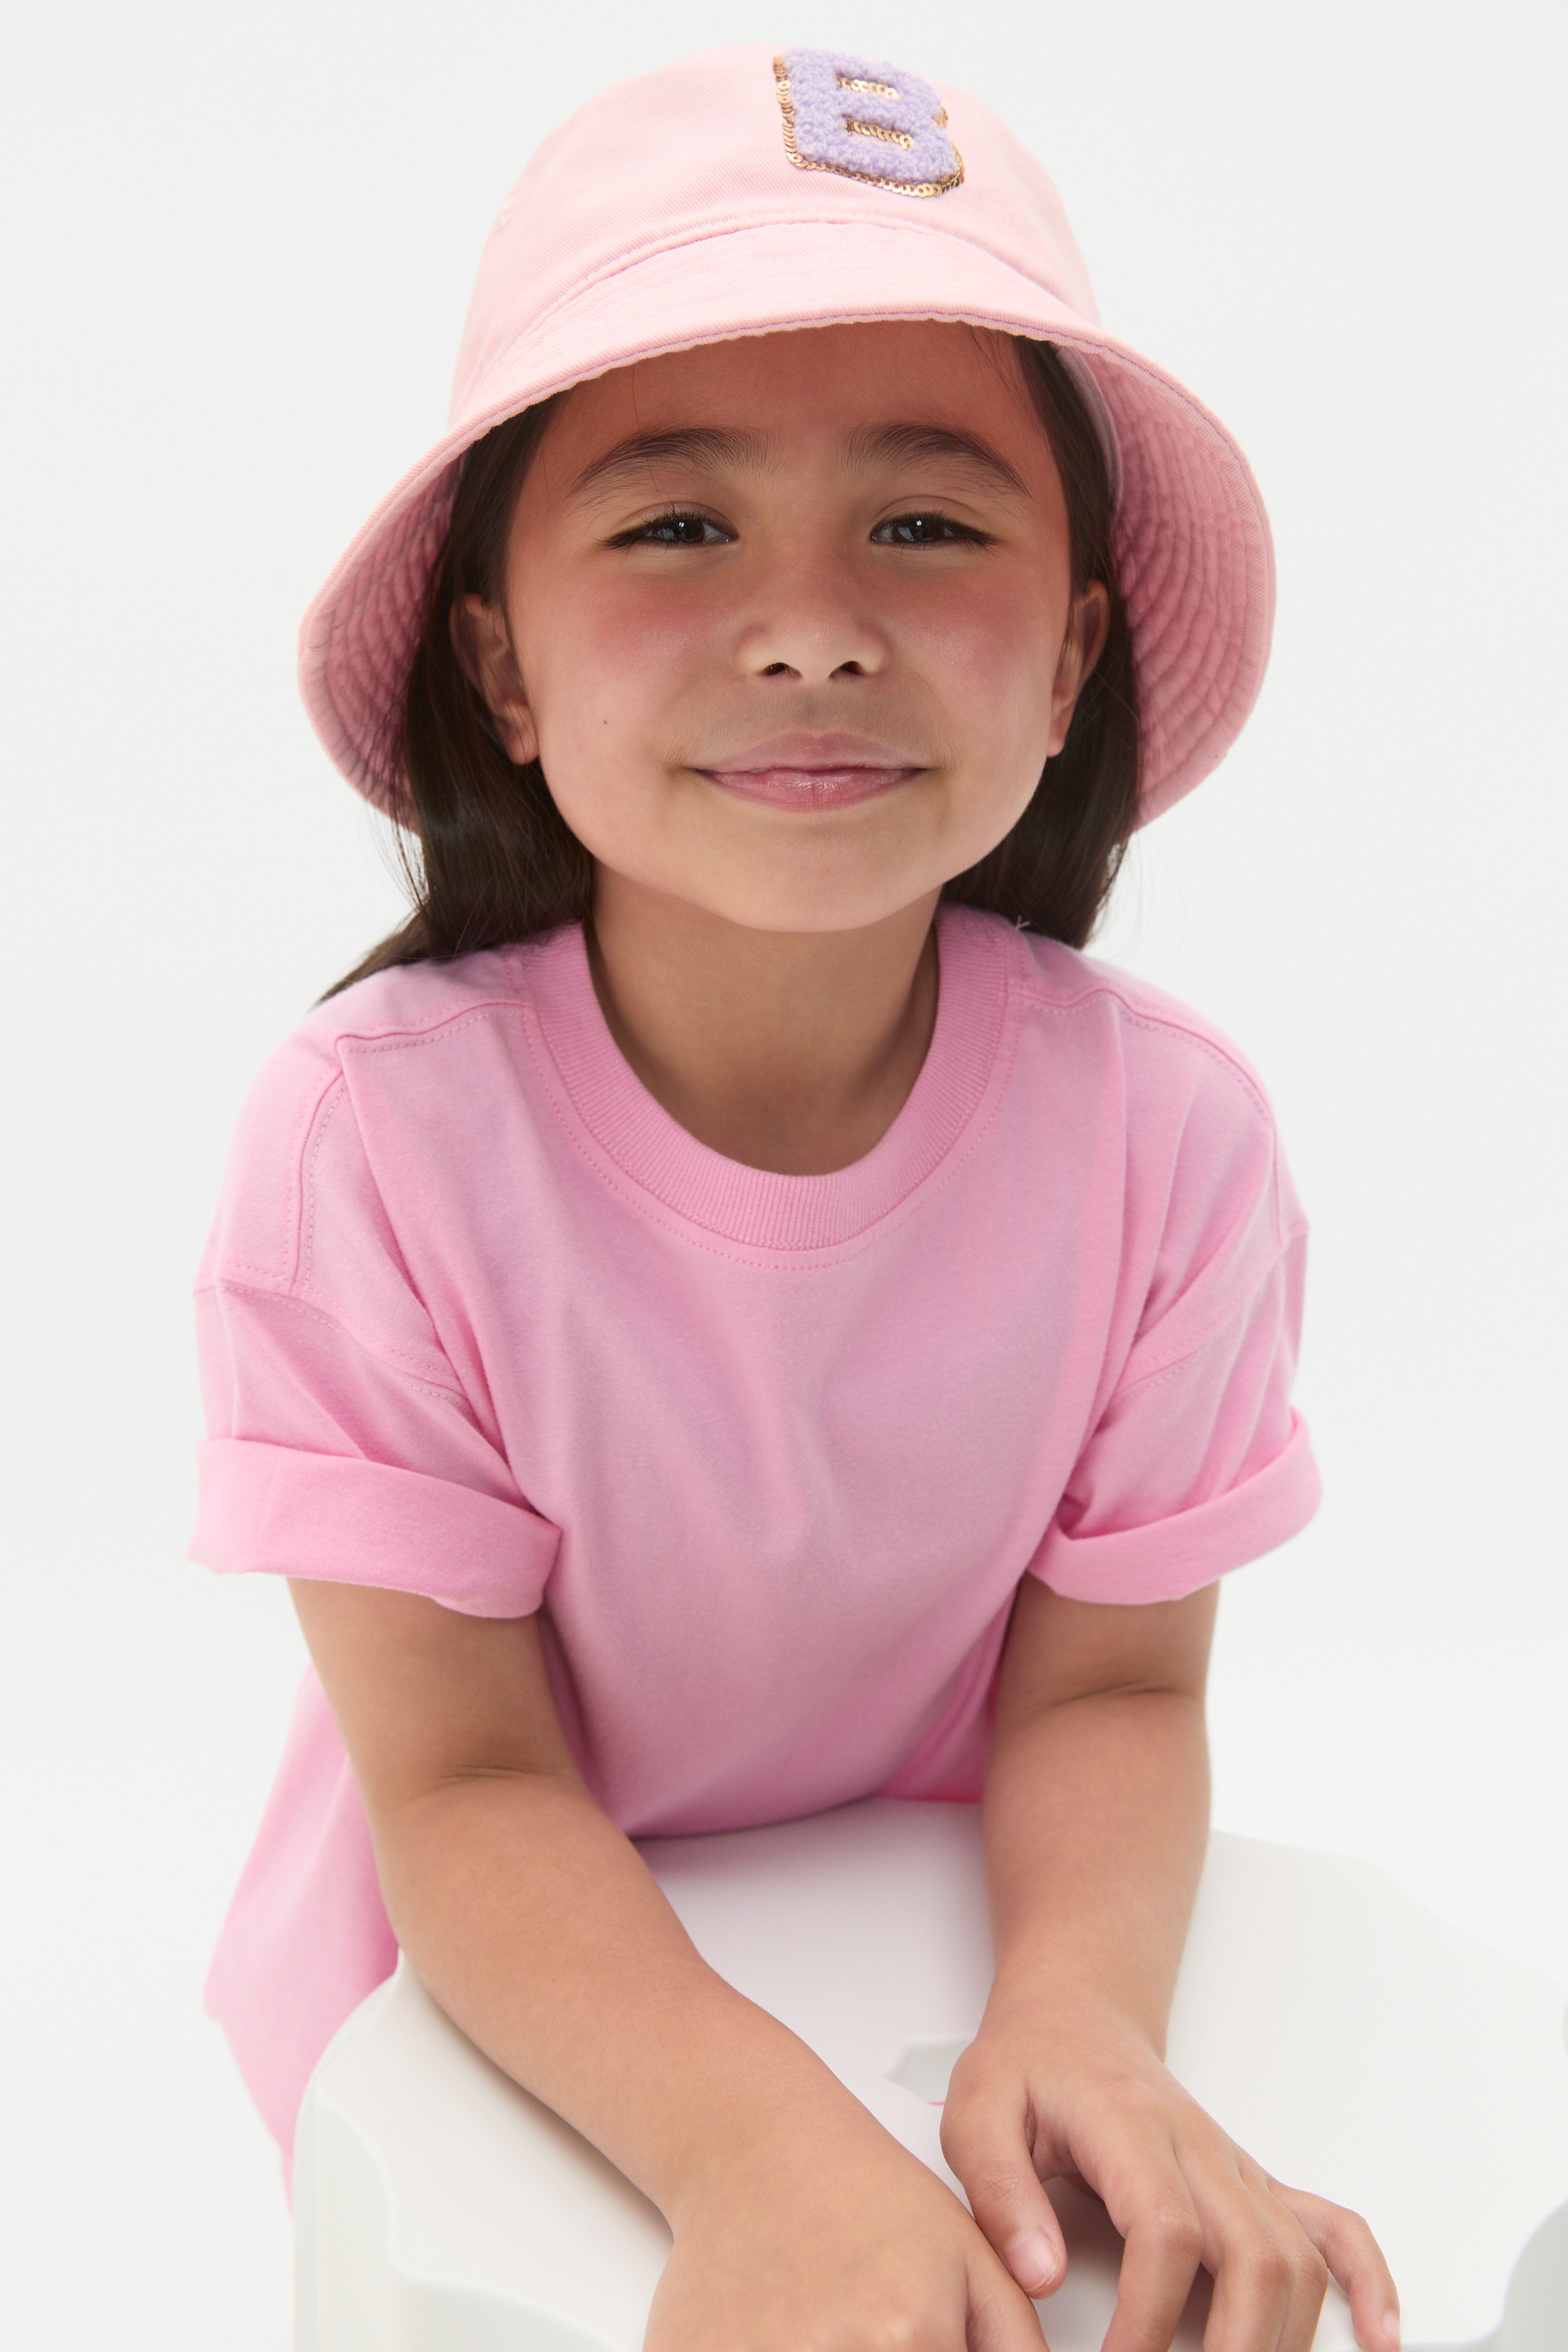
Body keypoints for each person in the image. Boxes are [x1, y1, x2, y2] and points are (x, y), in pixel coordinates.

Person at [190, 42, 1402, 2352]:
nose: (815, 626)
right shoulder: (370, 1143)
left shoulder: (1172, 1136)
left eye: (928, 525)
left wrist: (1076, 2018)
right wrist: (758, 2149)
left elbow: (1114, 1688)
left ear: (1074, 653)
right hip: (503, 2035)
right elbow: (459, 1775)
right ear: (498, 662)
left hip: (920, 1952)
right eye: (676, 527)